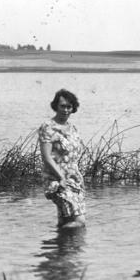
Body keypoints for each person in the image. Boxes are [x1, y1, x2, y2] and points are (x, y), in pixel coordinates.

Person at [38, 89, 87, 229]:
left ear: (73, 108)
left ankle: (60, 248)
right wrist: (61, 178)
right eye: (62, 106)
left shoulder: (73, 128)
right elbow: (47, 157)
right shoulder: (48, 127)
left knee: (65, 220)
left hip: (74, 179)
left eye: (69, 107)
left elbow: (73, 157)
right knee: (80, 221)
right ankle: (51, 246)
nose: (66, 110)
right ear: (56, 106)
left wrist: (78, 178)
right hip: (56, 179)